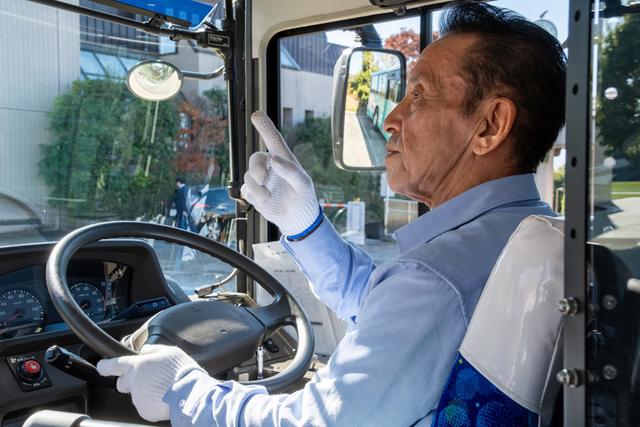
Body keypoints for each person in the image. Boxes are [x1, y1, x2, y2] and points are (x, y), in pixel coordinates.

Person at [97, 2, 566, 425]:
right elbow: (383, 307)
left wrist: (184, 391)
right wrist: (306, 226)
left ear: (490, 126)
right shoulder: (528, 236)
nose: (391, 119)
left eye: (419, 95)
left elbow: (318, 421)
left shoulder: (436, 280)